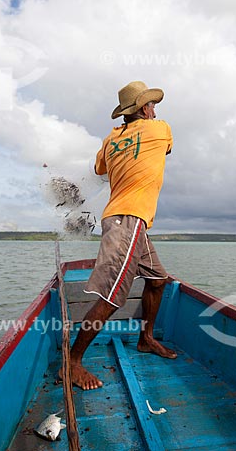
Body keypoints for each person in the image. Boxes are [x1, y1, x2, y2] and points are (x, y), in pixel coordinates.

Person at [61, 81, 176, 390]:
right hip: (129, 221)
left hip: (129, 220)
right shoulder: (159, 129)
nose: (155, 110)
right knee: (112, 296)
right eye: (151, 105)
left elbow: (98, 169)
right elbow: (167, 147)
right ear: (143, 109)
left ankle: (146, 338)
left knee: (157, 280)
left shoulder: (110, 140)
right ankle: (73, 362)